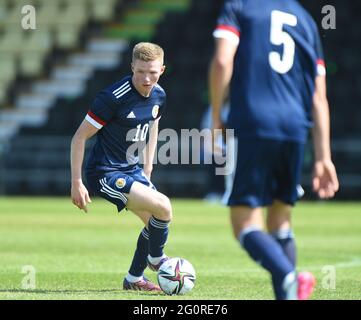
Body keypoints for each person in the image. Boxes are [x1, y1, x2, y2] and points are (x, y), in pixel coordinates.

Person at [209, 0, 339, 300]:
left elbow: (222, 62)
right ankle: (288, 295)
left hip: (253, 122)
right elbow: (319, 98)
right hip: (295, 127)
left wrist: (216, 115)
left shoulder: (240, 6)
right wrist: (323, 157)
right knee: (280, 219)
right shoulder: (306, 20)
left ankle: (288, 276)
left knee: (243, 221)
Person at [70, 42, 171, 292]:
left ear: (162, 70)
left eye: (152, 72)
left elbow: (153, 126)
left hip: (133, 170)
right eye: (140, 72)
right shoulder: (113, 97)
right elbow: (79, 137)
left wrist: (148, 168)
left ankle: (134, 279)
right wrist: (76, 182)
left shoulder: (159, 94)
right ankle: (157, 259)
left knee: (154, 222)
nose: (146, 79)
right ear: (131, 68)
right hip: (105, 173)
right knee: (163, 207)